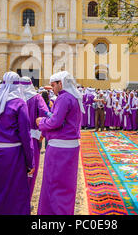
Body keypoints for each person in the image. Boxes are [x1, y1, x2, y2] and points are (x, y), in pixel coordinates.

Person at [0, 72, 34, 215]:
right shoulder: (19, 103)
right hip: (12, 154)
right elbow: (25, 135)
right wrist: (30, 161)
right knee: (15, 192)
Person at [36, 71, 84, 215]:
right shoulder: (74, 97)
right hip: (72, 146)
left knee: (53, 183)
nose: (53, 89)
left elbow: (55, 122)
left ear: (60, 83)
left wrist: (41, 122)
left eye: (53, 85)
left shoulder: (64, 98)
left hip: (59, 147)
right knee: (67, 185)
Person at [19, 76, 49, 198]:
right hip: (32, 138)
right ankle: (27, 198)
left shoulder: (13, 98)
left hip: (16, 139)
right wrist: (43, 133)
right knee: (31, 168)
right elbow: (45, 115)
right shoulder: (37, 98)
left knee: (17, 168)